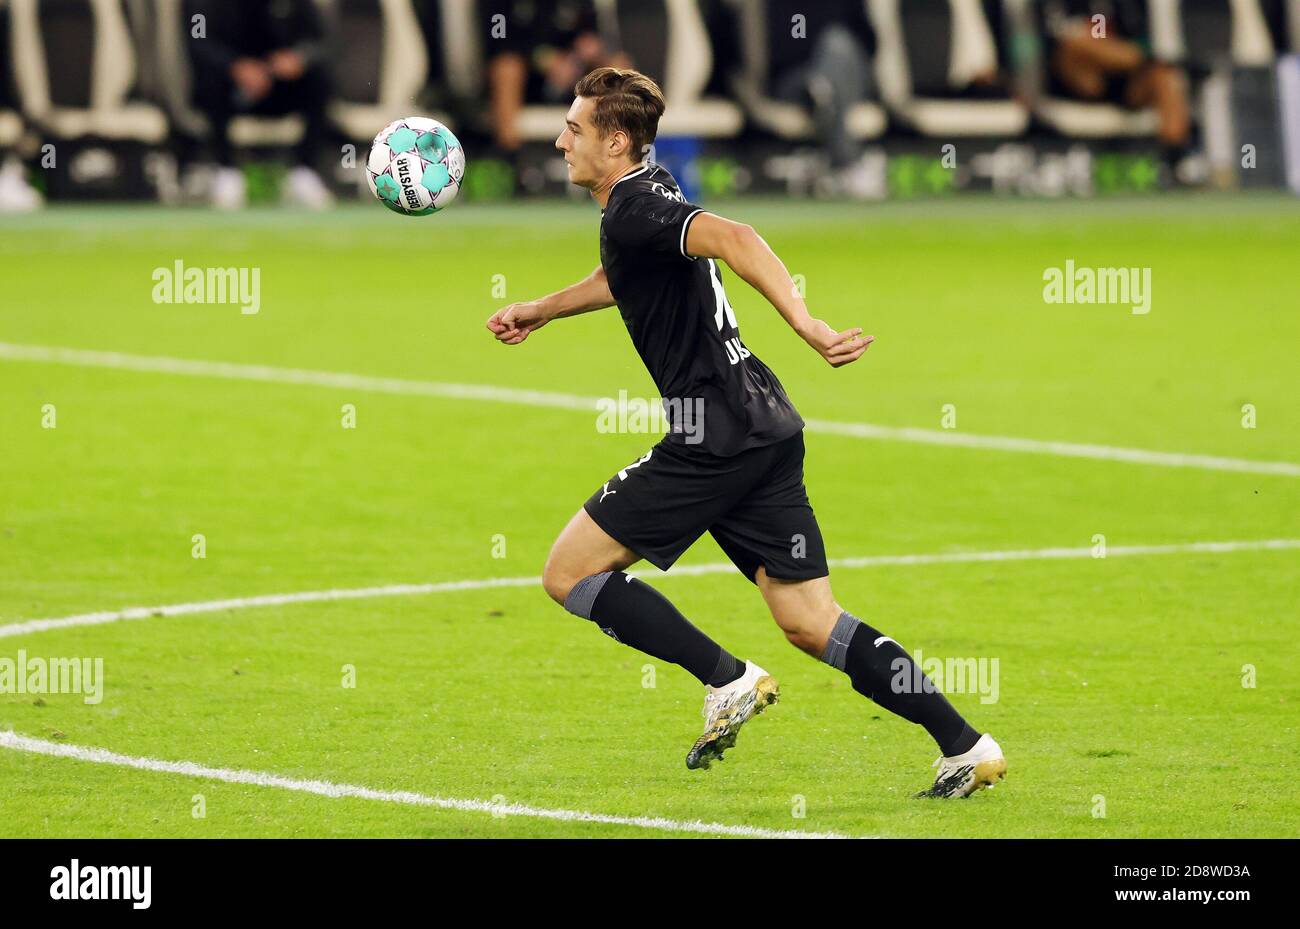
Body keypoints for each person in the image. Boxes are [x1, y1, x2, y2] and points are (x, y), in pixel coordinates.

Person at [485, 67, 1007, 798]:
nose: (560, 139)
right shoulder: (647, 194)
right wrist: (543, 307)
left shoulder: (634, 210)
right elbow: (627, 275)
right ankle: (966, 745)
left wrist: (806, 323)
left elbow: (736, 235)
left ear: (615, 141)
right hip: (763, 423)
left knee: (568, 573)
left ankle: (727, 677)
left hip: (713, 434)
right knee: (809, 619)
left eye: (574, 128)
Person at [185, 0, 336, 209]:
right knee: (211, 85)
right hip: (230, 89)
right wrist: (235, 67)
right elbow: (198, 41)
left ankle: (304, 171)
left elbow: (319, 40)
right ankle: (226, 171)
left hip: (281, 87)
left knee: (321, 80)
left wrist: (299, 58)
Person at [1042, 0, 1194, 178]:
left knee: (1166, 75)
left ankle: (1174, 163)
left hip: (1122, 81)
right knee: (1079, 41)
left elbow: (1141, 38)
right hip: (1077, 79)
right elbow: (1060, 39)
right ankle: (1139, 60)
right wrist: (1138, 58)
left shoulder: (1129, 5)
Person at [485, 0, 630, 156]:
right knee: (506, 68)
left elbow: (592, 34)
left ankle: (621, 154)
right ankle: (510, 157)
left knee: (620, 67)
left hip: (575, 73)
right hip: (525, 78)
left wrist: (588, 52)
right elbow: (497, 42)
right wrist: (543, 59)